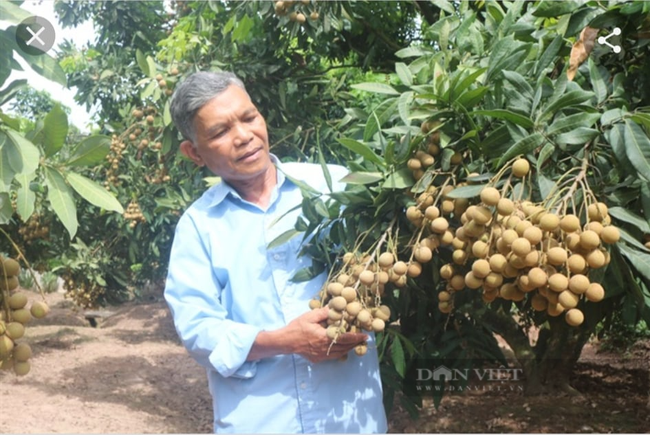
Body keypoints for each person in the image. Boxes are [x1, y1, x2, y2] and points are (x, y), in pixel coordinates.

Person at [164, 71, 388, 433]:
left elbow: (392, 254)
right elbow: (197, 330)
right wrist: (285, 341)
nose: (244, 136)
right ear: (194, 153)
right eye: (220, 132)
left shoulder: (336, 186)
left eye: (249, 117)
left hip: (351, 419)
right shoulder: (198, 226)